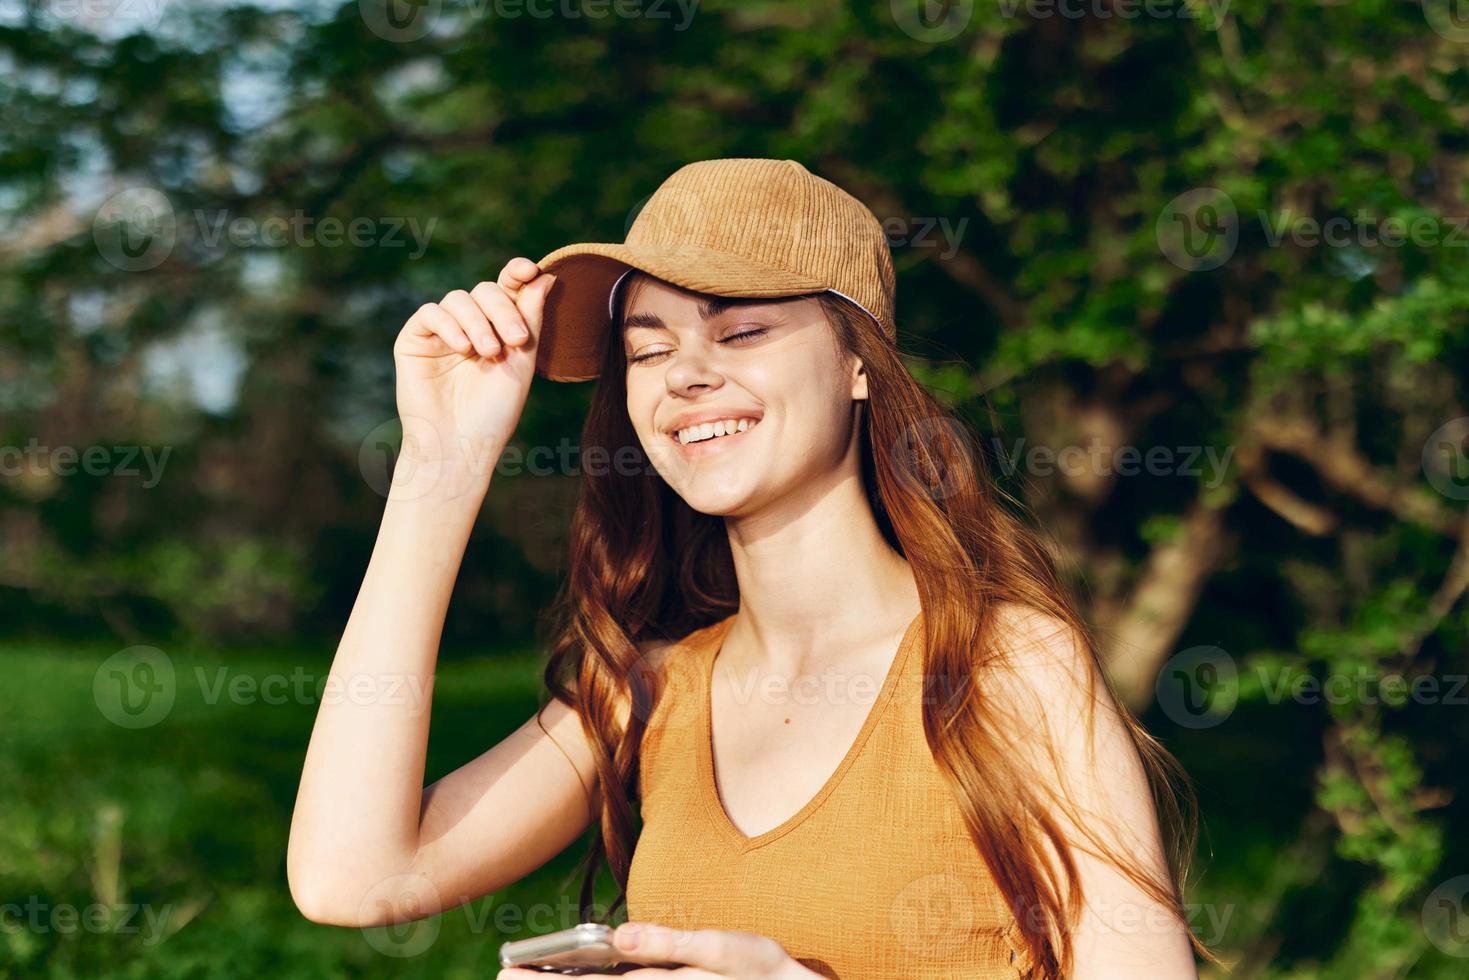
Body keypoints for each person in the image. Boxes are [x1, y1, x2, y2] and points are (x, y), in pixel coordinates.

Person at [287, 159, 1213, 979]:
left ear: (858, 363)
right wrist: (440, 466)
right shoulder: (647, 692)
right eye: (647, 348)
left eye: (740, 334)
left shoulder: (1007, 666)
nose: (682, 374)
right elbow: (353, 878)